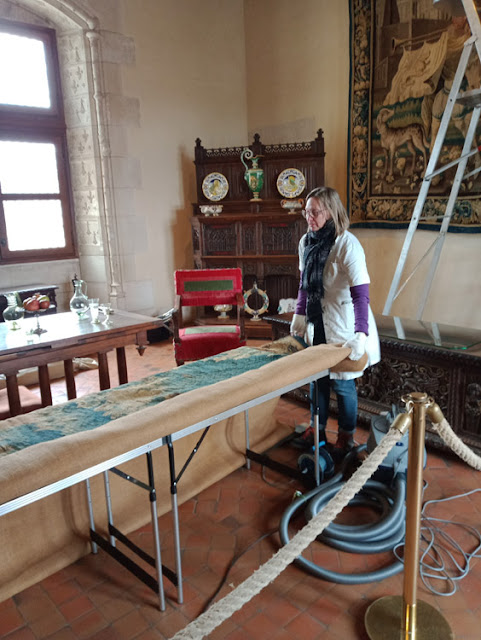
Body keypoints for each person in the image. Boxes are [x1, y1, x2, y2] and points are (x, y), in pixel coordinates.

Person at [290, 186, 380, 452]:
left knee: (342, 385)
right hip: (316, 323)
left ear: (330, 211)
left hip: (345, 325)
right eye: (306, 211)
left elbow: (361, 295)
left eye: (314, 212)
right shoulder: (306, 242)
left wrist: (360, 334)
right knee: (317, 381)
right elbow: (305, 285)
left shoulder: (346, 243)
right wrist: (299, 314)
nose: (309, 217)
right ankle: (317, 430)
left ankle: (346, 436)